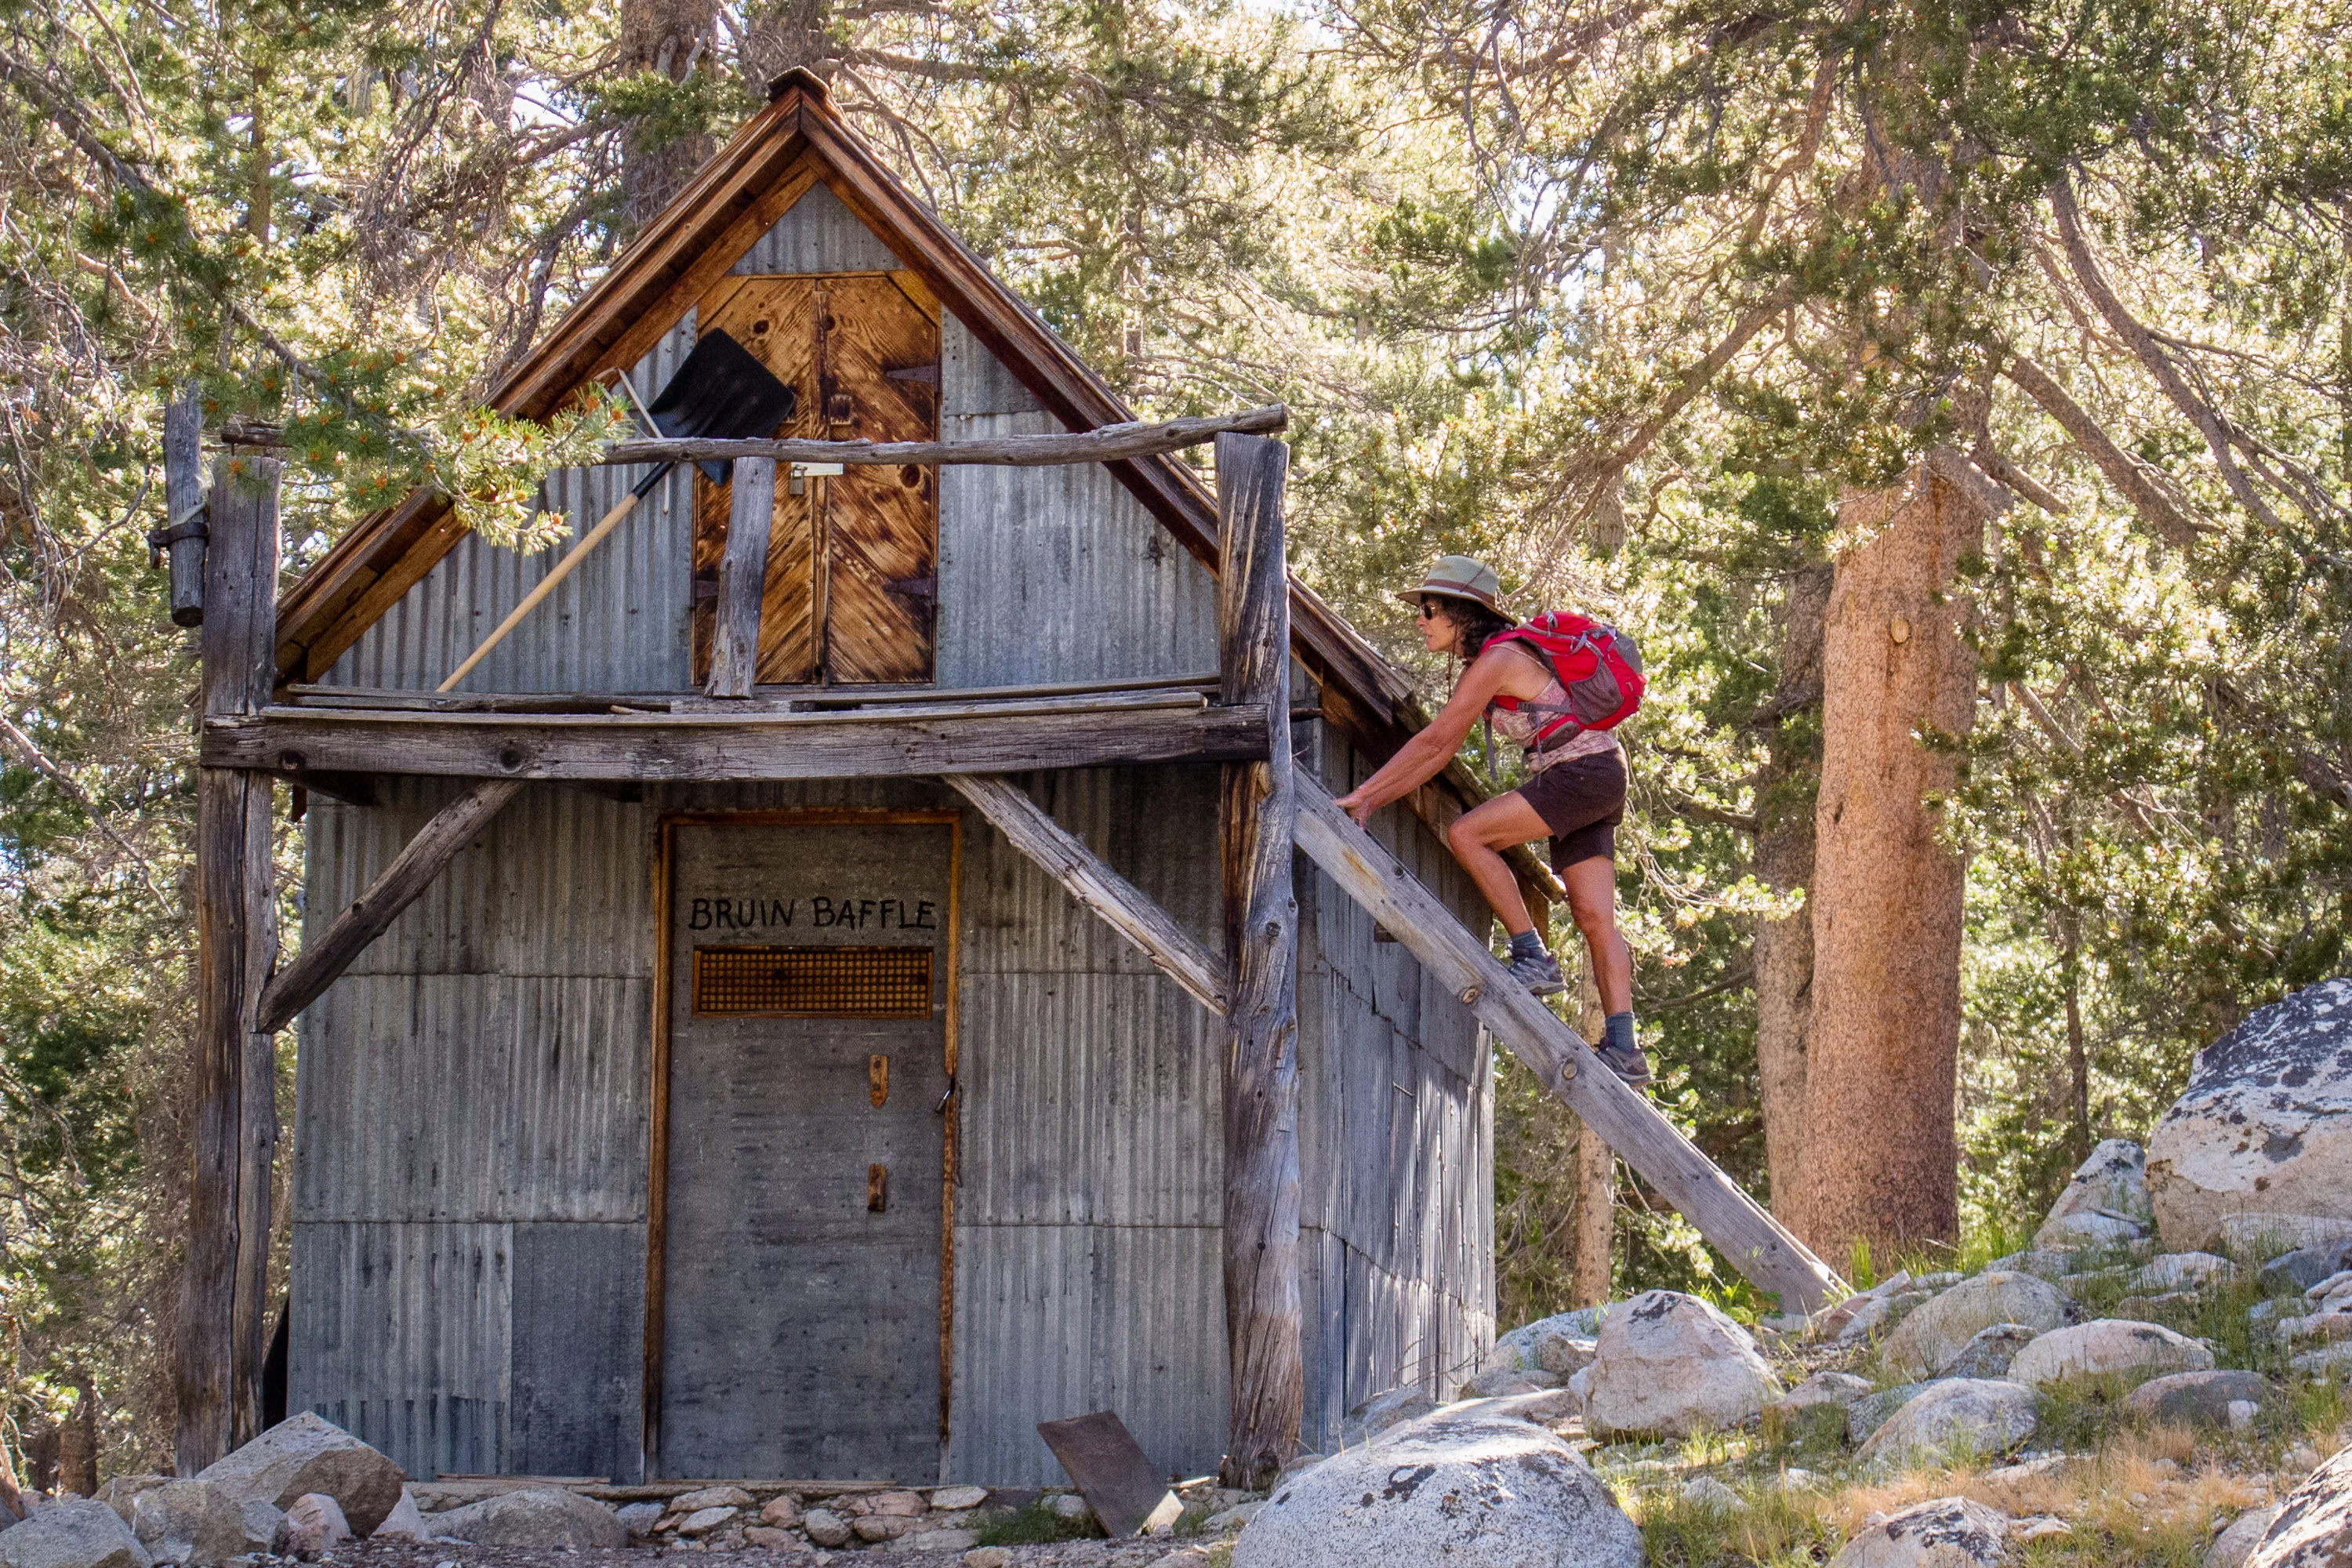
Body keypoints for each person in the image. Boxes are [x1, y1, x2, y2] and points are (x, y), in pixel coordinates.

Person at [1331, 555, 1648, 1085]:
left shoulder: (1500, 659)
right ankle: (1624, 1048)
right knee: (1595, 920)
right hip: (1597, 773)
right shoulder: (1500, 660)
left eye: (1429, 609)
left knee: (1467, 833)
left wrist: (1366, 795)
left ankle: (1532, 955)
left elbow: (1435, 742)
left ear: (1462, 613)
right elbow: (1438, 753)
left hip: (1582, 774)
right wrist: (1373, 796)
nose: (1420, 619)